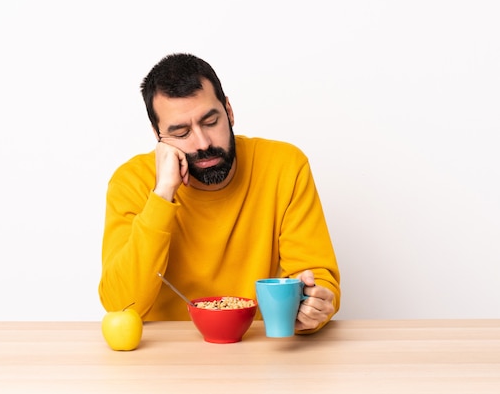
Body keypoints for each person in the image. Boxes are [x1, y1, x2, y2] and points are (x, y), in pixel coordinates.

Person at [99, 53, 340, 333]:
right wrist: (162, 194)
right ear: (158, 136)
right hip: (164, 357)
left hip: (257, 350)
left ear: (229, 110)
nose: (202, 143)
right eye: (180, 132)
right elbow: (120, 304)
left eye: (211, 121)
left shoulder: (285, 166)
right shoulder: (131, 181)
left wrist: (312, 307)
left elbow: (317, 278)